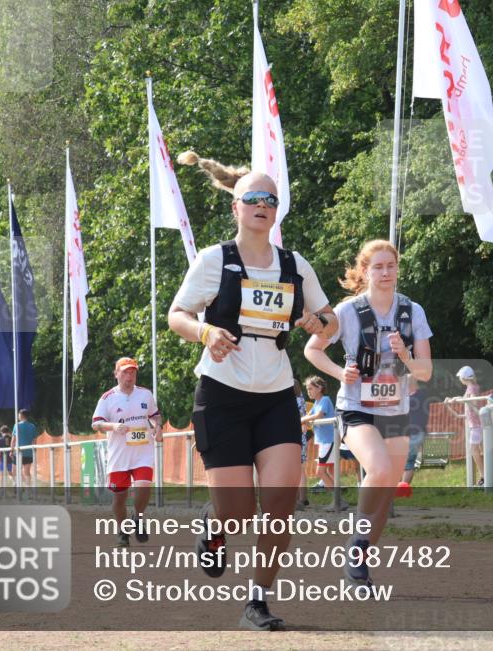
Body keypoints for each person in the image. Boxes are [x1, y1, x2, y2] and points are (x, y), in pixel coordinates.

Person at [169, 152, 337, 631]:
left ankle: (257, 601)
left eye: (271, 200)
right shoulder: (214, 260)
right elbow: (177, 315)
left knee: (280, 502)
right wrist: (205, 333)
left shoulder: (294, 264)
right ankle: (214, 522)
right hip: (222, 394)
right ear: (236, 207)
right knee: (238, 514)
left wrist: (318, 323)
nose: (263, 206)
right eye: (254, 199)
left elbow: (331, 319)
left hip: (276, 394)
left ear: (277, 210)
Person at [304, 239, 433, 589]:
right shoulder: (347, 311)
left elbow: (425, 372)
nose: (385, 272)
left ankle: (357, 561)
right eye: (378, 267)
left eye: (391, 265)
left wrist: (405, 356)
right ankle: (358, 540)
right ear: (365, 271)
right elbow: (312, 349)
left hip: (395, 410)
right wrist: (339, 373)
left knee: (386, 490)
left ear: (397, 268)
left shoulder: (413, 311)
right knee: (378, 469)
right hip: (356, 407)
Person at [91, 357, 163, 548]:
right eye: (125, 372)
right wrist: (114, 426)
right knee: (119, 497)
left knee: (144, 486)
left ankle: (138, 518)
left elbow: (155, 415)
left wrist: (158, 427)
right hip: (119, 455)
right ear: (116, 374)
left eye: (132, 372)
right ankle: (122, 530)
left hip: (142, 452)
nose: (129, 376)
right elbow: (96, 424)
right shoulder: (107, 398)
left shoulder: (145, 394)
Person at [300, 376, 336, 493]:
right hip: (324, 442)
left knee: (320, 472)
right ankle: (338, 498)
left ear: (319, 388)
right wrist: (304, 421)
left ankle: (337, 498)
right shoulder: (317, 402)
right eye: (307, 389)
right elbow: (309, 416)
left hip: (328, 441)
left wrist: (302, 420)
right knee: (329, 471)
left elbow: (318, 415)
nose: (308, 391)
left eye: (310, 388)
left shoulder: (325, 400)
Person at [455, 366, 487, 485]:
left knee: (474, 449)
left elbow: (473, 401)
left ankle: (484, 475)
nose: (460, 379)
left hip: (476, 424)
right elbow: (464, 398)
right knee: (481, 448)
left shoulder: (472, 388)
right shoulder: (472, 387)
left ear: (463, 378)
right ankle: (490, 473)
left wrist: (467, 400)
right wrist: (455, 399)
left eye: (460, 377)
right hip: (475, 424)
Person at [398, 378, 429, 494]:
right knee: (404, 461)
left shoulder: (418, 396)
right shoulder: (418, 396)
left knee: (408, 462)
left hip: (415, 433)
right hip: (412, 433)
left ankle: (402, 489)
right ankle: (400, 487)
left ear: (410, 385)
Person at [293, 378, 310, 511]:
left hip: (293, 435)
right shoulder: (302, 400)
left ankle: (298, 498)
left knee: (295, 469)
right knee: (301, 469)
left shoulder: (292, 401)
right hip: (302, 437)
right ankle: (303, 498)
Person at [12, 408, 38, 491]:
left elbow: (13, 439)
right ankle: (28, 489)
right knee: (27, 471)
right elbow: (34, 440)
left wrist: (11, 450)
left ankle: (17, 485)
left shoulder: (17, 425)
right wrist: (33, 451)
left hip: (18, 452)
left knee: (15, 470)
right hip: (29, 452)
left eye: (19, 415)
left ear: (21, 415)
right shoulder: (32, 426)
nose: (18, 416)